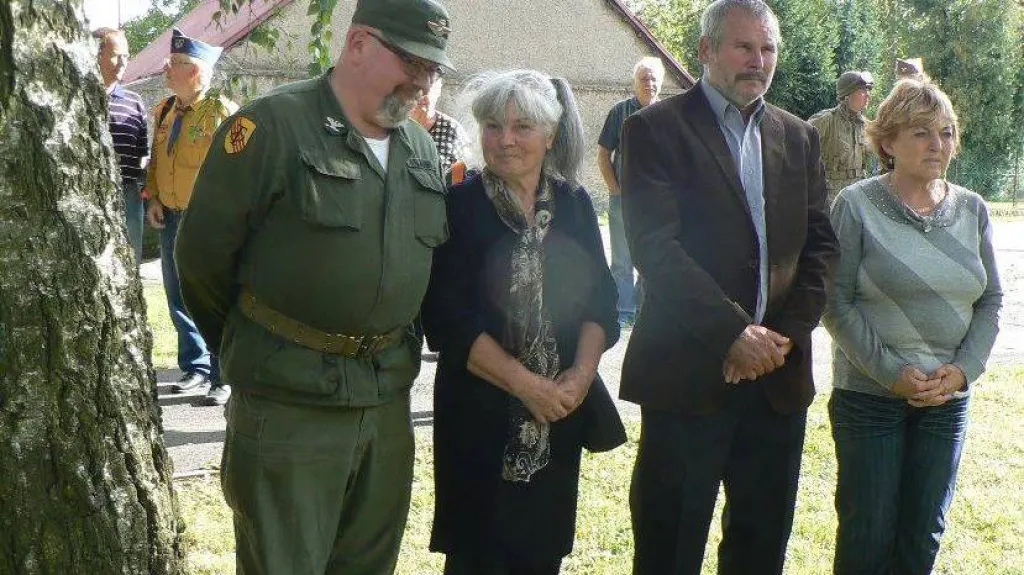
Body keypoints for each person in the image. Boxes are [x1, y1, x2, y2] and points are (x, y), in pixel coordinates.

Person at [174, 0, 454, 572]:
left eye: (431, 68)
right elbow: (202, 261)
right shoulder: (273, 127)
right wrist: (261, 349)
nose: (423, 81)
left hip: (385, 406)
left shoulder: (419, 148)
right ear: (358, 44)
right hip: (289, 408)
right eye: (411, 62)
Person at [618, 1, 839, 573]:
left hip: (777, 385)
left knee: (760, 550)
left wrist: (779, 341)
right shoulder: (653, 130)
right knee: (669, 552)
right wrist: (732, 335)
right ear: (706, 50)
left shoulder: (799, 136)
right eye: (744, 47)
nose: (758, 61)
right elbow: (655, 248)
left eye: (768, 49)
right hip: (687, 379)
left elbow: (820, 248)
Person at [421, 69, 626, 575]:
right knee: (476, 556)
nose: (505, 139)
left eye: (521, 126)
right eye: (492, 126)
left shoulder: (574, 205)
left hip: (556, 414)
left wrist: (579, 377)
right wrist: (527, 386)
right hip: (479, 415)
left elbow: (601, 302)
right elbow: (448, 320)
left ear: (550, 135)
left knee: (541, 551)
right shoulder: (459, 206)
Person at [823, 79, 1002, 575]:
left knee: (923, 536)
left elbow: (991, 300)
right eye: (921, 133)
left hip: (947, 401)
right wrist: (890, 373)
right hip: (869, 399)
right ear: (887, 142)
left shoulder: (973, 209)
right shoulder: (855, 205)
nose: (937, 144)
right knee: (867, 537)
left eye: (946, 132)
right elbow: (834, 302)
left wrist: (963, 371)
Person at [144, 29, 236, 405]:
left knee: (212, 297)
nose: (167, 68)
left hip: (206, 222)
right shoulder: (165, 110)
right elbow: (156, 160)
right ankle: (194, 368)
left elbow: (235, 169)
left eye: (176, 63)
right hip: (170, 216)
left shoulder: (220, 112)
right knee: (177, 295)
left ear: (195, 72)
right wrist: (153, 198)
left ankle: (222, 375)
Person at [598, 56, 665, 327]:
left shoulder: (668, 114)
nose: (649, 83)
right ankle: (623, 312)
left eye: (653, 78)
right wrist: (615, 190)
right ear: (635, 82)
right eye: (643, 78)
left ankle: (643, 310)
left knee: (651, 256)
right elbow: (603, 154)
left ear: (660, 82)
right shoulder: (620, 112)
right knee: (622, 258)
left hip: (657, 202)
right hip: (623, 200)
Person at [95, 27, 148, 265]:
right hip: (90, 194)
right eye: (116, 55)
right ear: (96, 55)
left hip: (128, 195)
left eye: (126, 56)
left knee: (130, 260)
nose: (123, 62)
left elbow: (143, 152)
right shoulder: (76, 100)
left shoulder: (135, 102)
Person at [809, 70, 875, 206]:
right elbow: (799, 149)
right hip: (830, 196)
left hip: (859, 193)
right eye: (862, 90)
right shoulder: (825, 120)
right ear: (847, 95)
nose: (868, 94)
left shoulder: (866, 125)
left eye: (868, 90)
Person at [411, 77, 467, 173]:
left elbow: (461, 176)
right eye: (416, 89)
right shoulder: (392, 126)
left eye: (429, 89)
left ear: (438, 92)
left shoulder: (452, 130)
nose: (422, 96)